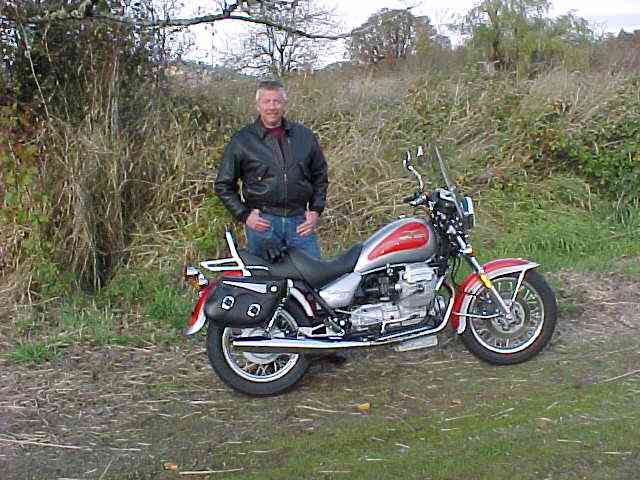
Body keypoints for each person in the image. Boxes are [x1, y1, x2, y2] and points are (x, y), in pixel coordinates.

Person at [214, 79, 328, 259]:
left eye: (277, 101)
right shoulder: (243, 140)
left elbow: (320, 176)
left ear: (284, 104)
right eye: (266, 101)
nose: (272, 107)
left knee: (313, 274)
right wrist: (245, 215)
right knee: (264, 276)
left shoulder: (305, 136)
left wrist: (315, 210)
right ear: (258, 105)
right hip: (263, 224)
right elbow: (223, 184)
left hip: (300, 223)